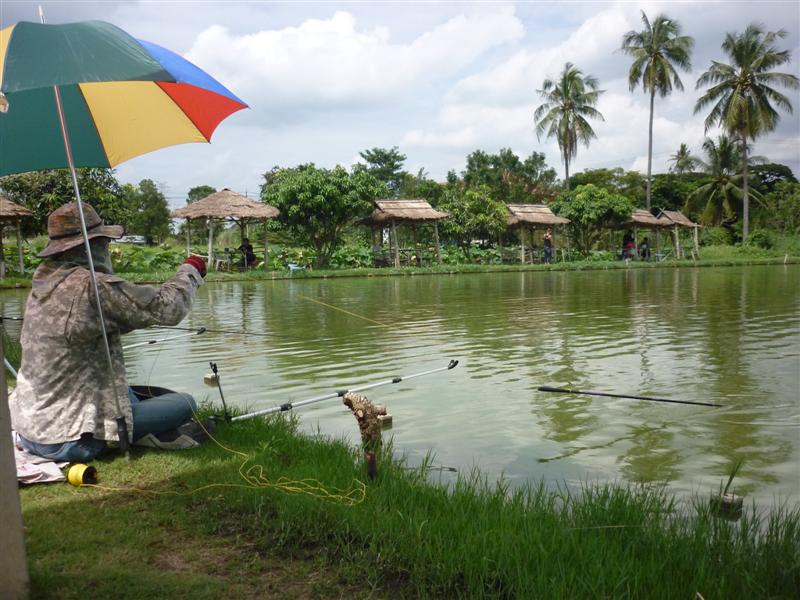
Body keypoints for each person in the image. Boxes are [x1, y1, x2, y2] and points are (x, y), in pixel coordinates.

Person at [9, 202, 208, 462]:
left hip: (30, 427)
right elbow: (167, 308)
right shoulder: (92, 288)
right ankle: (137, 436)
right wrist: (190, 270)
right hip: (70, 439)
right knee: (184, 403)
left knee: (131, 392)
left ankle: (143, 430)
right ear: (90, 245)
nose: (107, 248)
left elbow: (102, 321)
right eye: (103, 242)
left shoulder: (44, 282)